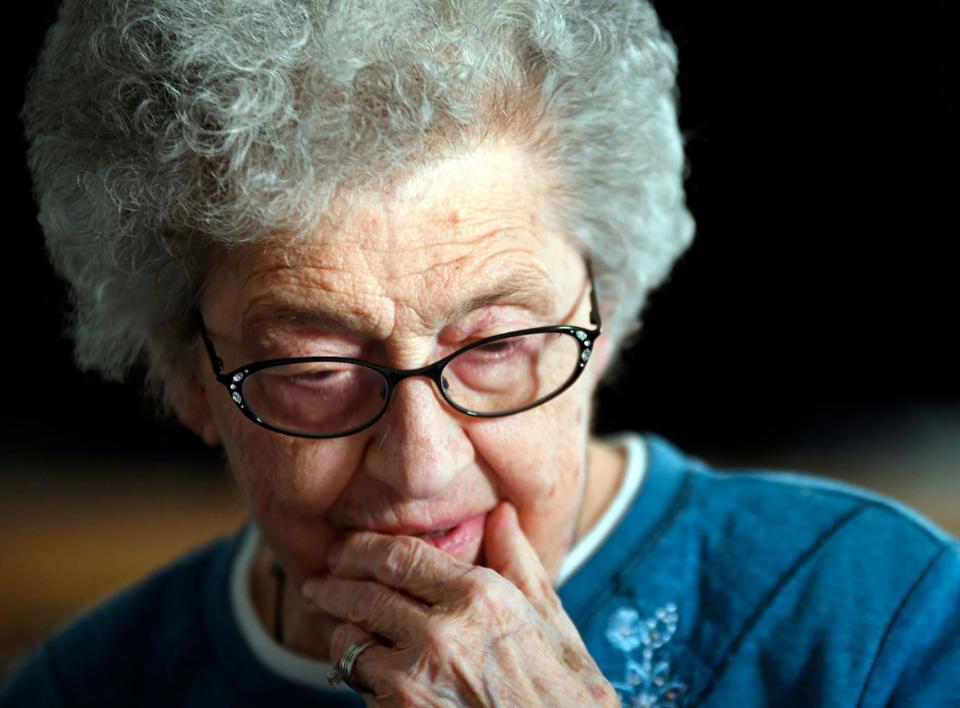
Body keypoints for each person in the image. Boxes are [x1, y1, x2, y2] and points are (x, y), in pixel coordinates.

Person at [4, 1, 958, 706]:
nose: (423, 464)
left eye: (497, 344)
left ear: (610, 311)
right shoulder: (79, 692)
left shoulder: (882, 624)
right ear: (190, 380)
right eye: (316, 368)